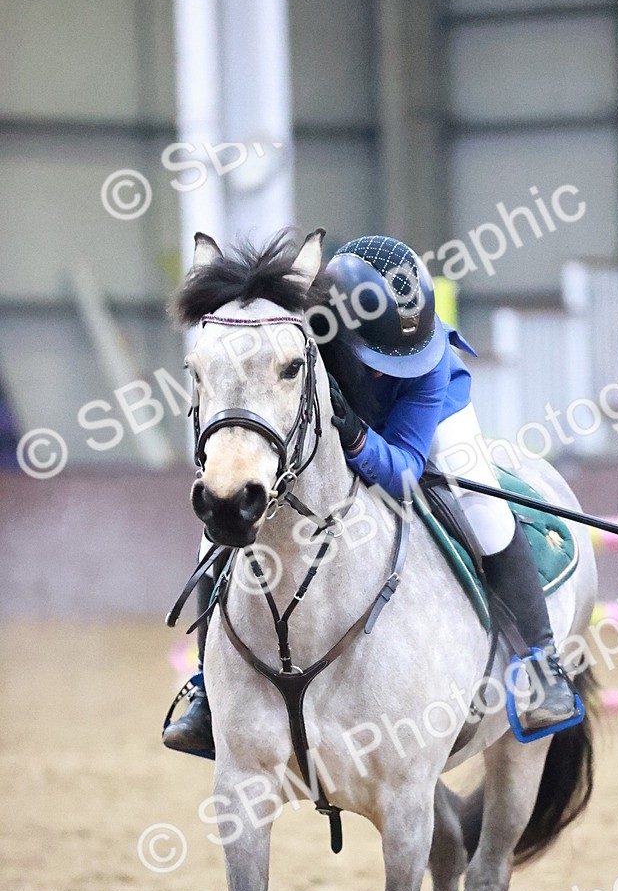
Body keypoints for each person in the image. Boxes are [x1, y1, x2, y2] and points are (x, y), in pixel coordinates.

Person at [163, 235, 581, 759]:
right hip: (337, 408)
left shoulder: (424, 366)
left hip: (431, 415)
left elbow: (404, 472)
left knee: (485, 507)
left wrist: (356, 436)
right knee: (223, 523)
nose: (389, 369)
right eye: (378, 357)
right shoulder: (312, 340)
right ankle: (208, 689)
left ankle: (541, 662)